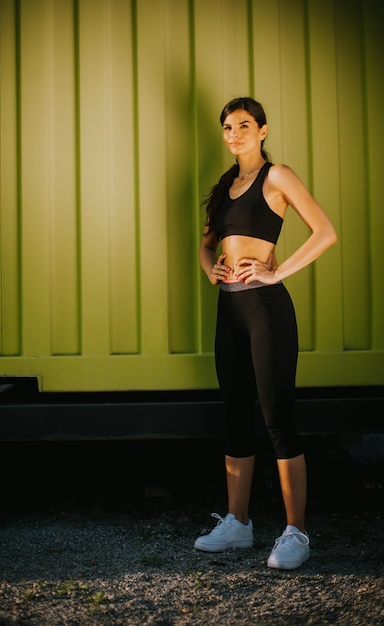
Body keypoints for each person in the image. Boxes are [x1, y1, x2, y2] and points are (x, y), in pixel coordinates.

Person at [195, 96, 337, 570]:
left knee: (278, 420)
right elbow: (207, 242)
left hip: (265, 310)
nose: (233, 133)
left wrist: (278, 273)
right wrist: (209, 269)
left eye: (243, 125)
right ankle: (237, 524)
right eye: (227, 127)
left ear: (262, 130)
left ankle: (296, 532)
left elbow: (324, 231)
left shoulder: (277, 177)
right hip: (229, 310)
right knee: (236, 416)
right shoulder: (225, 186)